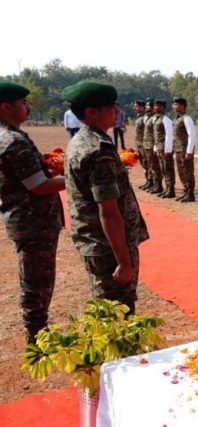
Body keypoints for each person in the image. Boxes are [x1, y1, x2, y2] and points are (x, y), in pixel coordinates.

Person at [63, 81, 149, 314]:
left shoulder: (82, 140)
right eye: (111, 108)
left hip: (96, 243)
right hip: (107, 248)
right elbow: (108, 211)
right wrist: (123, 261)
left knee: (109, 312)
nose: (118, 112)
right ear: (91, 113)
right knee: (117, 315)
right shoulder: (97, 150)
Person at [0, 81, 66, 343]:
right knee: (36, 281)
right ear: (6, 107)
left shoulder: (10, 135)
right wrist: (76, 178)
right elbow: (39, 187)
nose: (27, 107)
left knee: (35, 278)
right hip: (32, 221)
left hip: (28, 220)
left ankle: (38, 333)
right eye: (23, 103)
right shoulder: (13, 141)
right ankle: (37, 338)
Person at [171, 97, 197, 202]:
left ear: (182, 106)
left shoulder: (186, 118)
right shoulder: (176, 119)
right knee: (181, 171)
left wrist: (189, 151)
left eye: (176, 104)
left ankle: (190, 194)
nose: (174, 106)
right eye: (173, 104)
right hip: (178, 149)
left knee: (187, 171)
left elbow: (192, 135)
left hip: (185, 149)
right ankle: (186, 191)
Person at [152, 100, 175, 199]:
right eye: (155, 106)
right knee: (163, 168)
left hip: (165, 148)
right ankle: (166, 188)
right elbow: (155, 136)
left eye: (157, 106)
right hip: (159, 147)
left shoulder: (166, 120)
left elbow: (169, 135)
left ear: (162, 107)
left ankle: (171, 189)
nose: (155, 107)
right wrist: (155, 147)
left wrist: (168, 149)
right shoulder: (156, 119)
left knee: (168, 168)